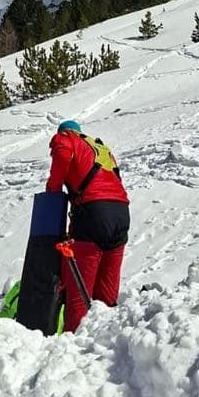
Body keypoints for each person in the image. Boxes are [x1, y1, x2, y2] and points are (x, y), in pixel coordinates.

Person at [46, 120, 129, 332]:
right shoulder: (101, 147)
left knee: (79, 290)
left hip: (93, 213)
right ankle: (108, 335)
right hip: (121, 213)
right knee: (107, 290)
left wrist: (53, 191)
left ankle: (73, 342)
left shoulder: (66, 138)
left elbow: (63, 154)